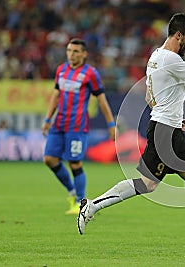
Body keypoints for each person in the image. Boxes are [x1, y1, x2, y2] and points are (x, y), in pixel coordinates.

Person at [77, 13, 185, 248]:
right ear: (178, 35)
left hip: (165, 126)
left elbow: (150, 95)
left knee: (151, 183)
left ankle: (92, 205)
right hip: (165, 130)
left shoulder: (156, 56)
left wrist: (173, 117)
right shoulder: (171, 59)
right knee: (179, 179)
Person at [42, 38, 116, 215]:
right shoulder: (61, 70)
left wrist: (111, 124)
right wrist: (47, 118)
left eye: (75, 51)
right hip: (59, 123)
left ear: (84, 54)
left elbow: (101, 99)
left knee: (75, 162)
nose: (71, 54)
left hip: (77, 125)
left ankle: (80, 203)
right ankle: (72, 191)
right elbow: (55, 94)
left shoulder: (90, 73)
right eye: (69, 50)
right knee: (49, 159)